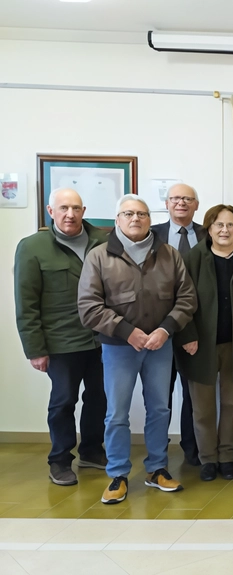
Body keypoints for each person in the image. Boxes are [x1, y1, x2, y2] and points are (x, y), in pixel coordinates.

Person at [78, 194, 197, 504]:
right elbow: (88, 306)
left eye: (142, 214)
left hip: (160, 345)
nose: (135, 219)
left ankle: (157, 469)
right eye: (128, 214)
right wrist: (127, 332)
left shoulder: (169, 254)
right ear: (117, 220)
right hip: (118, 347)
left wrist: (165, 329)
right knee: (116, 413)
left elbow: (187, 299)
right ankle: (117, 473)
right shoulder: (99, 257)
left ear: (149, 219)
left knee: (159, 409)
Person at [15, 188, 109, 486]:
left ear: (84, 210)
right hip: (60, 342)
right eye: (63, 208)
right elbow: (26, 302)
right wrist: (35, 349)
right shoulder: (32, 247)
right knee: (63, 401)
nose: (70, 214)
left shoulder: (105, 241)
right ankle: (60, 460)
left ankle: (92, 450)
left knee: (99, 398)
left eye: (76, 208)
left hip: (102, 338)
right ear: (50, 210)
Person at [174, 205, 233, 482]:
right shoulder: (192, 258)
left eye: (231, 225)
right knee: (203, 407)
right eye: (218, 225)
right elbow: (180, 300)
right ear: (208, 228)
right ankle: (208, 458)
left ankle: (227, 456)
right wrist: (186, 336)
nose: (225, 230)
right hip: (199, 344)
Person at [151, 183, 205, 466]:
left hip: (195, 328)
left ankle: (192, 450)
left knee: (192, 393)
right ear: (167, 204)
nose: (181, 203)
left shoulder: (209, 235)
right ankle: (157, 453)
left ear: (196, 204)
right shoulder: (151, 234)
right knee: (160, 396)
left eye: (187, 199)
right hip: (157, 328)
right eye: (175, 198)